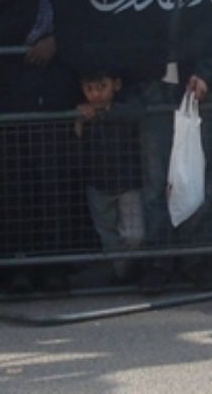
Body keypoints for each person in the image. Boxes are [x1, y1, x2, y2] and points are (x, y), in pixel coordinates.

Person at [74, 72, 144, 280]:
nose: (96, 94)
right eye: (89, 88)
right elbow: (76, 144)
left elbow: (139, 113)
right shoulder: (82, 115)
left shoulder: (127, 110)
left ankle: (124, 272)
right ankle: (121, 276)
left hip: (128, 183)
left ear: (116, 84)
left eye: (101, 87)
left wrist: (103, 115)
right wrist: (79, 122)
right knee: (108, 237)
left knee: (135, 235)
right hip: (97, 184)